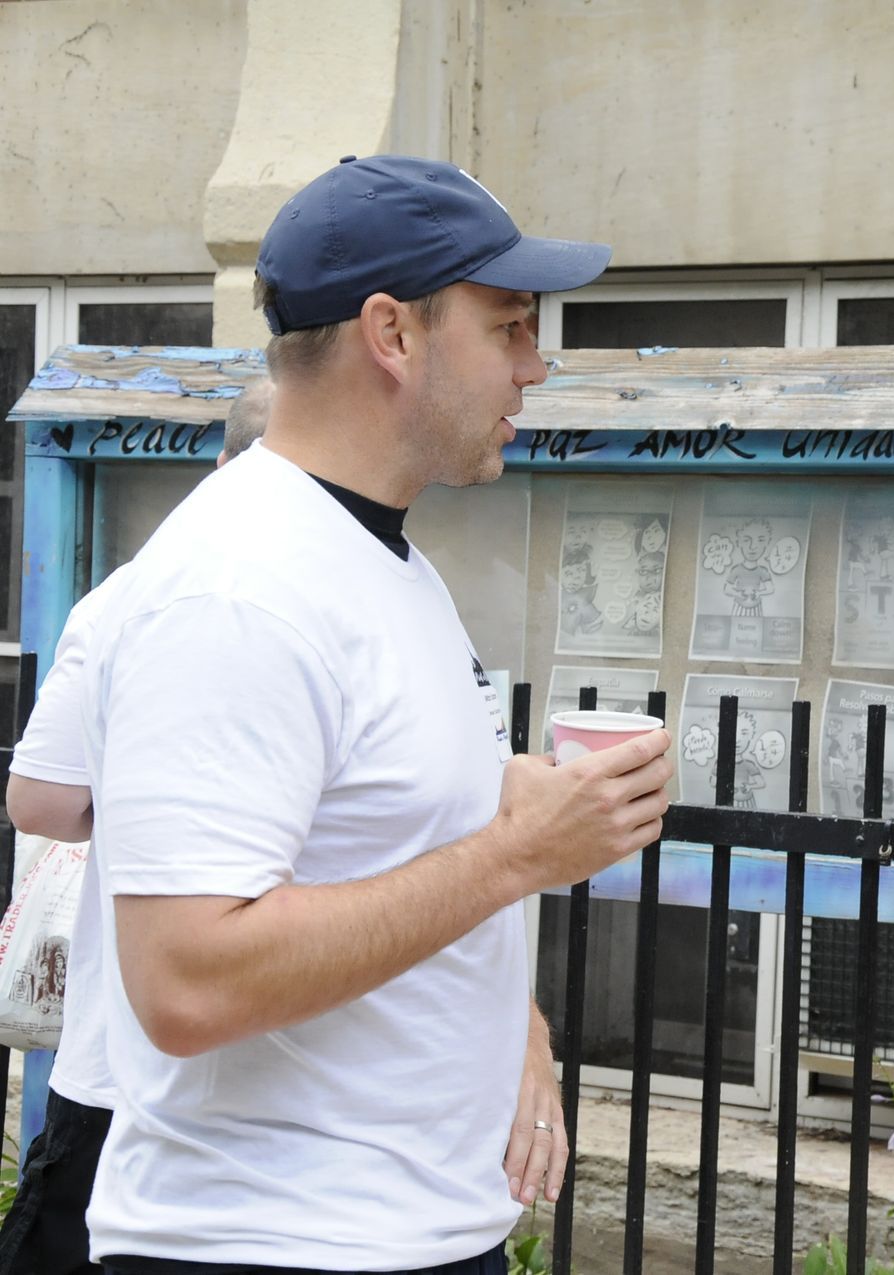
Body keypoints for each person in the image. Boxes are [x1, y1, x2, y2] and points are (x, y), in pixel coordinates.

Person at [68, 154, 673, 1275]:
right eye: (510, 328)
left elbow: (388, 832)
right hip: (266, 1248)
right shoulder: (238, 591)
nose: (536, 369)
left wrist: (517, 1020)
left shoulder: (379, 561)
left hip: (402, 1235)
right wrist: (515, 854)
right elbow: (187, 982)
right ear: (391, 335)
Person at [0, 374, 280, 1275]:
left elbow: (39, 799)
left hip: (120, 1069)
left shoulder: (132, 594)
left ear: (222, 461)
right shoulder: (366, 600)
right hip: (280, 1094)